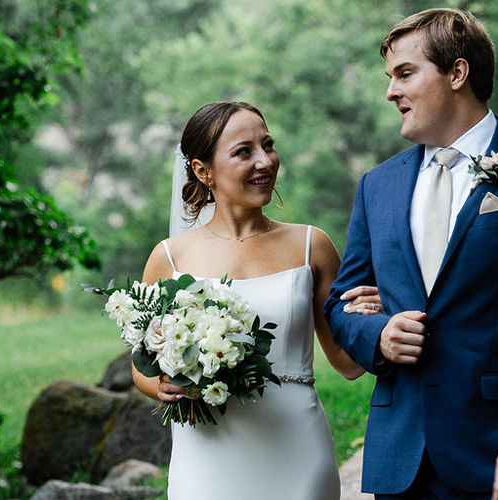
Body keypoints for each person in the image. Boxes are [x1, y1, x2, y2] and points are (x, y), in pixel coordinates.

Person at [324, 8, 498, 500]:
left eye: (405, 74)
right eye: (389, 78)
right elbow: (342, 303)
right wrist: (378, 334)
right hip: (401, 458)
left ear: (457, 73)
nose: (391, 92)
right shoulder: (377, 185)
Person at [132, 101, 380, 499]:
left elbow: (348, 364)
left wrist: (370, 315)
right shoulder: (170, 257)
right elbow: (140, 364)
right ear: (202, 170)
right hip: (206, 455)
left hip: (297, 450)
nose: (265, 161)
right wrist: (160, 383)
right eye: (244, 152)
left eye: (268, 145)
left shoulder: (310, 246)